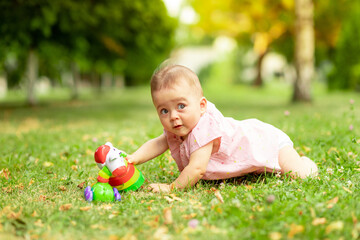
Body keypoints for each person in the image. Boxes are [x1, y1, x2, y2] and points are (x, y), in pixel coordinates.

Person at [126, 64, 318, 193]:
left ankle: (306, 163)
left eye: (181, 106)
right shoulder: (178, 126)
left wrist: (171, 187)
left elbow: (197, 169)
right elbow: (158, 143)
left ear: (202, 106)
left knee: (299, 175)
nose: (173, 116)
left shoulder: (204, 129)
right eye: (164, 111)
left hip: (268, 143)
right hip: (250, 153)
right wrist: (134, 158)